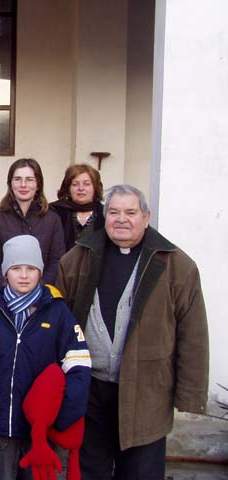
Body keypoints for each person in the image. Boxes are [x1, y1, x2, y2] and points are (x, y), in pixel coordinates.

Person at [57, 185, 209, 480]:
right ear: (104, 216)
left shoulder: (177, 266)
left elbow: (193, 335)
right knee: (89, 470)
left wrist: (190, 396)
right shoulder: (77, 259)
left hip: (147, 392)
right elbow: (59, 321)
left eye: (131, 212)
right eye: (114, 212)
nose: (122, 219)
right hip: (90, 391)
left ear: (146, 217)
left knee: (140, 471)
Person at [0, 235, 91, 480]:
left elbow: (79, 365)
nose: (24, 275)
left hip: (41, 431)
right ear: (6, 272)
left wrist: (61, 417)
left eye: (31, 268)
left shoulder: (57, 312)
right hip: (1, 427)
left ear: (40, 272)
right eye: (16, 268)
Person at [0, 158, 64, 292]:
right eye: (17, 179)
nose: (23, 185)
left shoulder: (52, 219)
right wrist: (7, 292)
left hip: (41, 297)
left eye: (29, 179)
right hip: (3, 296)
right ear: (10, 183)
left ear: (38, 184)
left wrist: (38, 293)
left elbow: (56, 260)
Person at [50, 164, 105, 252]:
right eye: (75, 184)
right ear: (68, 188)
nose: (81, 188)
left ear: (95, 188)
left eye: (86, 184)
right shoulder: (55, 212)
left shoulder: (106, 214)